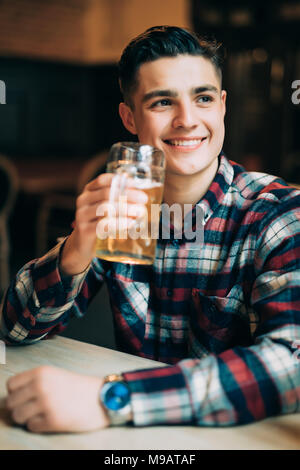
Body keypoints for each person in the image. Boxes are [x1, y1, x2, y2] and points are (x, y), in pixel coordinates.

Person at [1, 25, 300, 434]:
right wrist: (73, 252)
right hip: (138, 437)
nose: (187, 120)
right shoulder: (126, 206)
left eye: (203, 98)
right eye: (163, 102)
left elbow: (291, 364)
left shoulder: (278, 214)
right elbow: (15, 329)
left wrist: (111, 399)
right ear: (129, 117)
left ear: (222, 106)